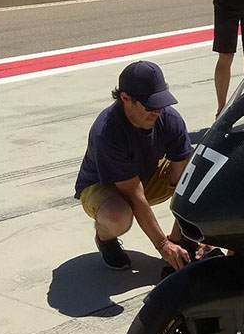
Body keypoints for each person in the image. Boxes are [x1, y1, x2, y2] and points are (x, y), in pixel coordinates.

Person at [75, 61, 196, 273]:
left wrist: (179, 238)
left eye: (161, 103)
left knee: (198, 173)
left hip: (145, 175)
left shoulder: (169, 119)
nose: (157, 112)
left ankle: (183, 241)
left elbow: (182, 184)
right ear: (125, 98)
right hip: (105, 186)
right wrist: (163, 246)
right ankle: (105, 238)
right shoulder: (106, 132)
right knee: (118, 216)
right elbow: (134, 194)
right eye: (150, 105)